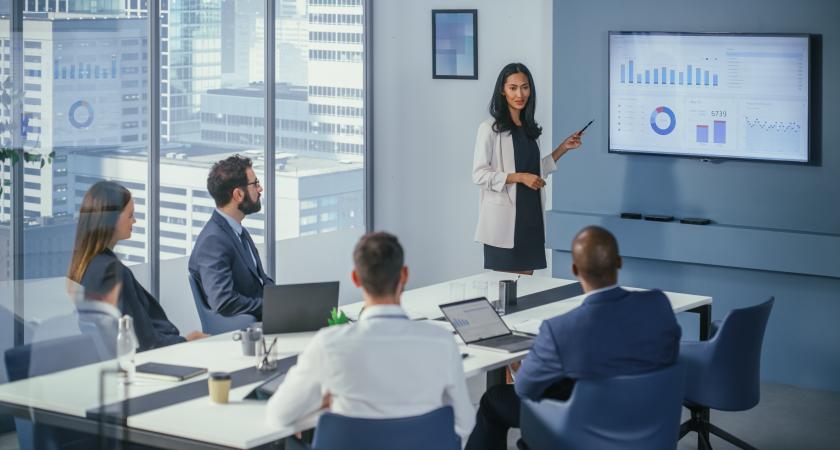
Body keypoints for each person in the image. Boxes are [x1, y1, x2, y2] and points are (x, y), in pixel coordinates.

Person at [465, 226, 682, 450]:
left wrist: (519, 369)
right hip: (649, 418)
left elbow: (525, 390)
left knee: (494, 400)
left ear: (575, 270)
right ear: (618, 262)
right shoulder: (658, 304)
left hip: (585, 430)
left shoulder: (561, 329)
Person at [266, 232, 475, 441]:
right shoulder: (442, 342)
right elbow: (465, 423)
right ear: (404, 275)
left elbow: (279, 415)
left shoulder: (330, 344)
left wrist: (319, 402)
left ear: (355, 278)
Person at [473, 62, 585, 275]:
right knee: (505, 293)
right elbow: (479, 175)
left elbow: (535, 171)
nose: (519, 94)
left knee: (524, 291)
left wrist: (563, 148)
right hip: (504, 222)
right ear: (502, 91)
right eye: (512, 88)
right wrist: (520, 177)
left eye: (525, 87)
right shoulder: (489, 128)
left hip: (530, 216)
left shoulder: (529, 128)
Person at [67, 181, 206, 352]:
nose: (134, 220)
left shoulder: (85, 265)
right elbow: (143, 342)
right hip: (156, 357)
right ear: (110, 220)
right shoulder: (111, 272)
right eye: (130, 215)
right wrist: (186, 341)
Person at [189, 155, 273, 320]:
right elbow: (223, 301)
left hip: (265, 318)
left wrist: (283, 300)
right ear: (238, 194)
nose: (260, 189)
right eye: (255, 184)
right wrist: (270, 306)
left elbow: (261, 280)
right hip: (246, 328)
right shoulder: (213, 241)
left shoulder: (238, 230)